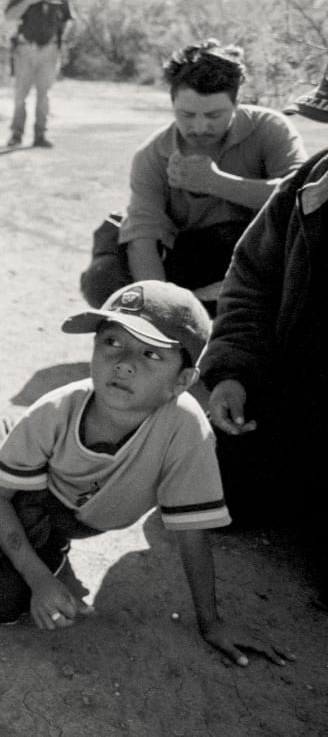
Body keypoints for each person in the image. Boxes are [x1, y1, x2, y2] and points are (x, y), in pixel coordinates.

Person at [0, 281, 292, 668]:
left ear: (182, 381)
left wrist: (211, 623)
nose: (124, 364)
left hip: (46, 510)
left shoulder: (185, 430)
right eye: (112, 342)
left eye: (152, 355)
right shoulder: (56, 408)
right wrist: (41, 578)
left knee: (1, 595)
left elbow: (191, 532)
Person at [199, 68, 328, 604]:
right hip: (296, 401)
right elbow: (251, 280)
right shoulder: (312, 183)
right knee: (210, 496)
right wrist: (232, 373)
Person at [79, 41, 306, 311]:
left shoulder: (271, 128)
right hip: (189, 257)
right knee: (104, 275)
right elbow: (144, 238)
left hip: (258, 256)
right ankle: (186, 313)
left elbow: (301, 200)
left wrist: (215, 182)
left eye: (214, 115)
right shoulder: (152, 155)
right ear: (172, 102)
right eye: (186, 115)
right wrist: (161, 308)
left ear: (237, 103)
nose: (199, 127)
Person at [4, 0, 72, 148]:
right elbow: (9, 16)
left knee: (44, 95)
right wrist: (30, 0)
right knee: (20, 95)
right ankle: (16, 135)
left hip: (49, 51)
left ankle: (40, 136)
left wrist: (59, 41)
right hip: (25, 49)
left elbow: (68, 19)